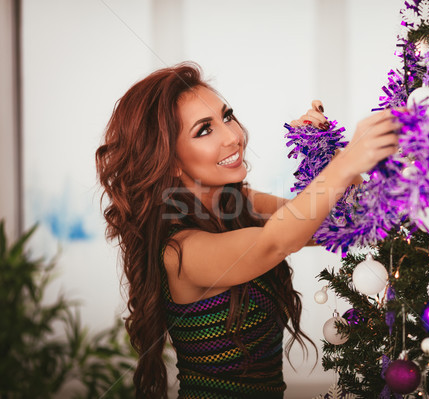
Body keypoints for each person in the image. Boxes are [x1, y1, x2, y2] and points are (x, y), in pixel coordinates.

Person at [95, 62, 400, 399]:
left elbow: (343, 221)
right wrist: (347, 162)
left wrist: (327, 147)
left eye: (227, 117)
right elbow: (275, 242)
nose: (232, 136)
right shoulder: (180, 251)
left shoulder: (240, 203)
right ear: (171, 161)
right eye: (204, 130)